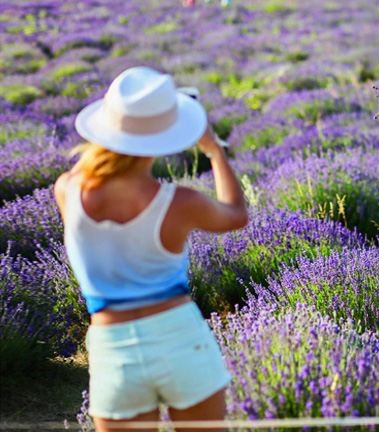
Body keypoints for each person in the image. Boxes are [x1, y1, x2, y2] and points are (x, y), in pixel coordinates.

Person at [54, 66, 248, 431]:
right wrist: (215, 152)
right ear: (166, 136)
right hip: (181, 341)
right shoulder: (178, 202)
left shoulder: (67, 190)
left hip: (113, 349)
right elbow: (237, 215)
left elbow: (93, 172)